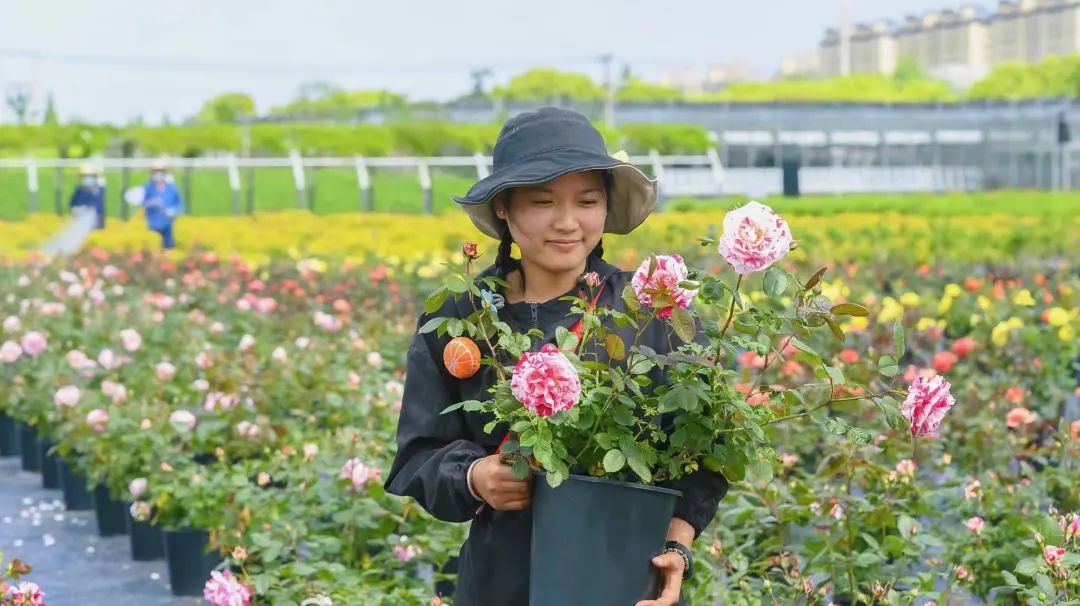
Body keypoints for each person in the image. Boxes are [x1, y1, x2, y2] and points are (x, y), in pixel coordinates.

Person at [384, 107, 728, 605]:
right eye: (543, 202)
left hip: (624, 577)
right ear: (504, 208)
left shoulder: (650, 310)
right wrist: (474, 477)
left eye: (587, 201)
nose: (568, 223)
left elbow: (706, 450)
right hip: (501, 582)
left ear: (606, 207)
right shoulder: (465, 316)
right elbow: (418, 455)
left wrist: (678, 543)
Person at [141, 160, 184, 250]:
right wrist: (151, 203)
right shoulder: (147, 188)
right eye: (155, 172)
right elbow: (142, 204)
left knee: (168, 250)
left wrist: (173, 212)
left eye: (160, 171)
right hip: (152, 227)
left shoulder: (172, 188)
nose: (158, 174)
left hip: (168, 226)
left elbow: (180, 205)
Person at [69, 164, 106, 229]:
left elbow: (98, 207)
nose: (87, 178)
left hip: (95, 223)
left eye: (90, 176)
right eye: (85, 176)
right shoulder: (79, 190)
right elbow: (73, 204)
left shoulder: (98, 190)